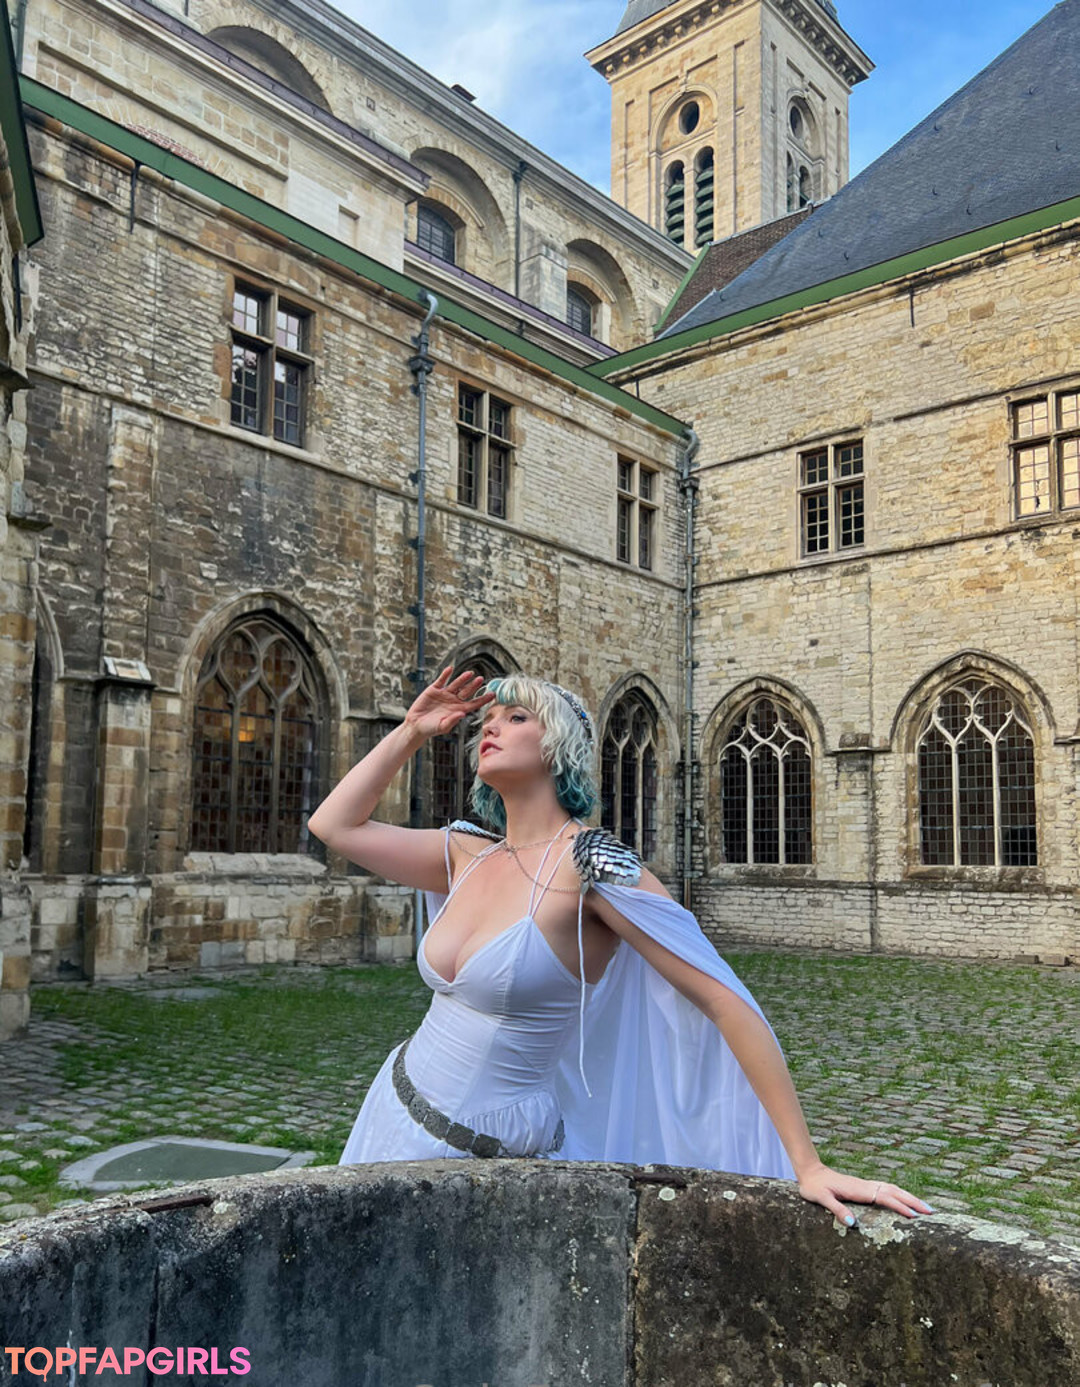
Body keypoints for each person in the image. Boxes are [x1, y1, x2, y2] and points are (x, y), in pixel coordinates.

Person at [309, 666, 935, 1229]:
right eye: (487, 720)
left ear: (559, 746)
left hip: (491, 1151)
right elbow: (333, 825)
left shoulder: (594, 864)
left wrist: (807, 1164)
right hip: (393, 1107)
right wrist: (412, 731)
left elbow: (724, 999)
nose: (490, 728)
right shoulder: (464, 853)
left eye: (516, 716)